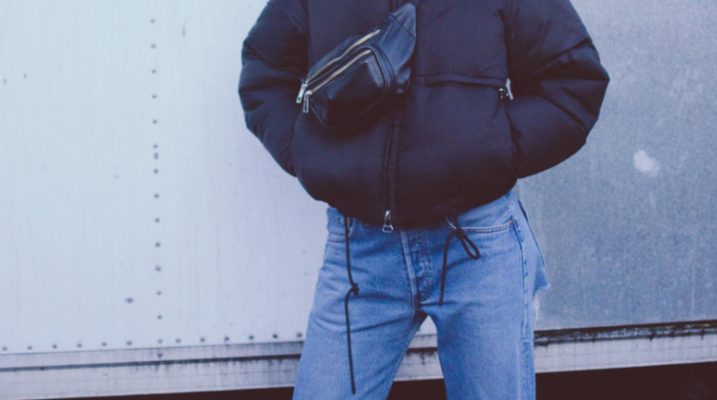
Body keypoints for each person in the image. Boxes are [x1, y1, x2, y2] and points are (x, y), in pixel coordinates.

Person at [238, 0, 609, 398]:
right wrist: (309, 155)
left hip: (477, 244)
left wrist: (495, 151)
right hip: (360, 252)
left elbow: (573, 82)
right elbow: (265, 72)